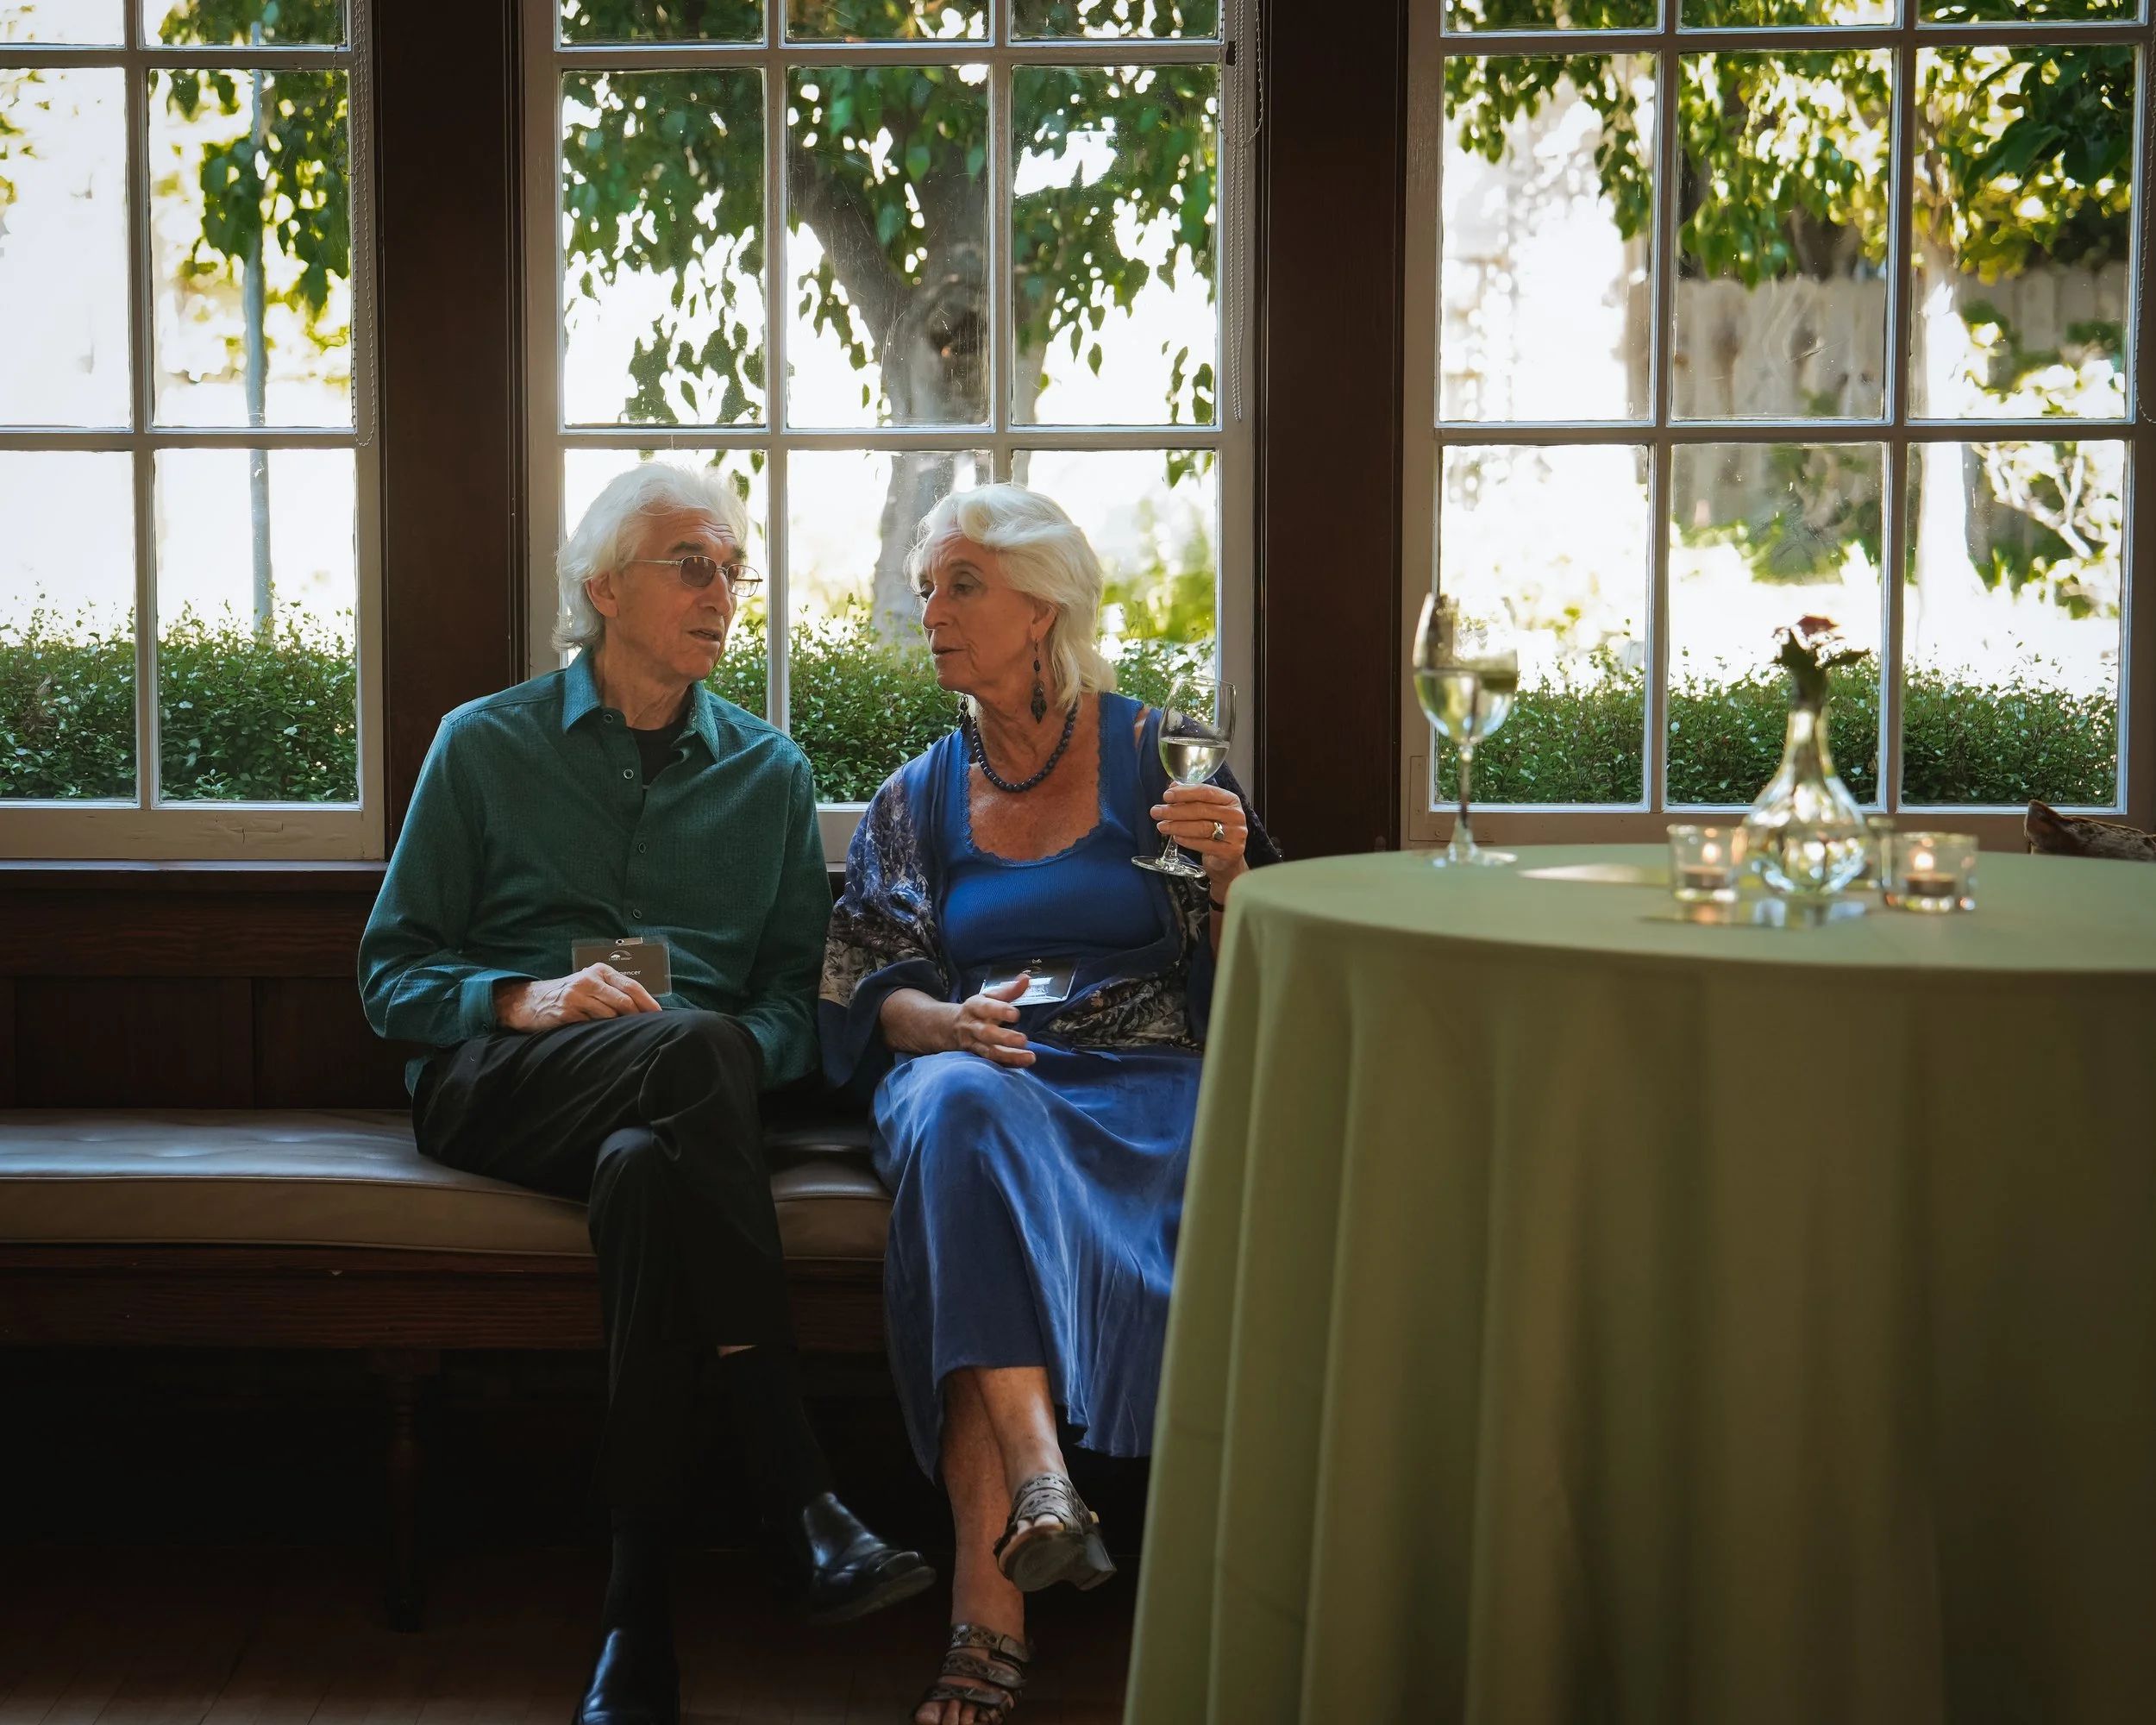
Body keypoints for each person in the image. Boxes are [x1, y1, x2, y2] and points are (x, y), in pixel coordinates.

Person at [359, 461, 932, 1725]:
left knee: (649, 1163)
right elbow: (390, 975)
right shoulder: (484, 743)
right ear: (603, 586)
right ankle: (797, 1488)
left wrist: (718, 1046)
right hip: (505, 1087)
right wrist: (530, 999)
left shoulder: (769, 774)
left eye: (735, 570)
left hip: (685, 1117)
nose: (722, 591)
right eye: (692, 563)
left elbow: (797, 1007)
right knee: (690, 1059)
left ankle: (634, 1618)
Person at [820, 484, 1278, 1725]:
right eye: (926, 586)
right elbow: (870, 990)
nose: (932, 611)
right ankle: (1038, 1481)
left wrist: (1233, 872)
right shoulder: (916, 796)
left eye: (962, 582)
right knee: (957, 1109)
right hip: (985, 1069)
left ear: (1044, 609)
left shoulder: (1156, 754)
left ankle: (989, 1622)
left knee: (970, 1174)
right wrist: (946, 1025)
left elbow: (1262, 971)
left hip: (1145, 1091)